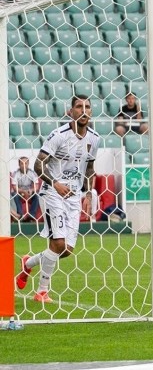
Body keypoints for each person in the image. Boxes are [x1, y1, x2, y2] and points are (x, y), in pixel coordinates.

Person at [15, 95, 100, 302]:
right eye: (79, 107)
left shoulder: (94, 138)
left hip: (74, 196)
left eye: (87, 107)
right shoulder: (59, 135)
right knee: (59, 243)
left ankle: (28, 264)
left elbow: (89, 168)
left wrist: (88, 193)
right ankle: (42, 291)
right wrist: (55, 183)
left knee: (66, 250)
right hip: (53, 193)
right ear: (70, 111)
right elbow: (38, 164)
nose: (83, 110)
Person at [11, 156, 40, 223]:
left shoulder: (32, 173)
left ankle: (31, 216)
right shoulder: (15, 173)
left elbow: (37, 186)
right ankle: (21, 216)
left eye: (26, 163)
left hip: (29, 191)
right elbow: (15, 187)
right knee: (15, 195)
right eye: (22, 163)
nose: (24, 165)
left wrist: (32, 190)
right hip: (19, 191)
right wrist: (23, 191)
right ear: (19, 164)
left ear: (28, 164)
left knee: (37, 195)